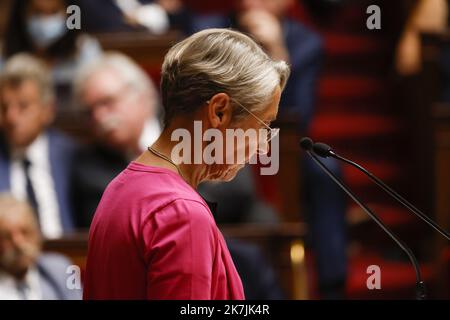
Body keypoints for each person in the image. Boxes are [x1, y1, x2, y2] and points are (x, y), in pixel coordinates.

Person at [83, 28, 290, 299]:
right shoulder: (182, 214)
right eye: (263, 125)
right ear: (219, 111)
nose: (264, 146)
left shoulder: (121, 187)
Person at [189, 0, 348, 298]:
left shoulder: (304, 42)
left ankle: (331, 285)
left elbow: (297, 117)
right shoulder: (205, 30)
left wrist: (277, 53)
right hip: (215, 141)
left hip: (275, 145)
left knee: (326, 170)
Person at [72, 52, 161, 228]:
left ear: (142, 96)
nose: (99, 117)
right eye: (90, 111)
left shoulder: (184, 131)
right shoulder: (90, 169)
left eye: (107, 102)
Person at [0, 53, 77, 239]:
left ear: (48, 110)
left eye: (23, 106)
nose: (11, 117)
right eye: (4, 107)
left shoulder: (72, 156)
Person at [1, 0, 102, 110]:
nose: (45, 21)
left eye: (54, 12)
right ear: (21, 13)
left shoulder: (85, 50)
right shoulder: (4, 53)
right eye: (37, 12)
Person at [0, 193, 81, 300]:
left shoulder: (61, 270)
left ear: (36, 233)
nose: (18, 243)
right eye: (7, 237)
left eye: (25, 232)